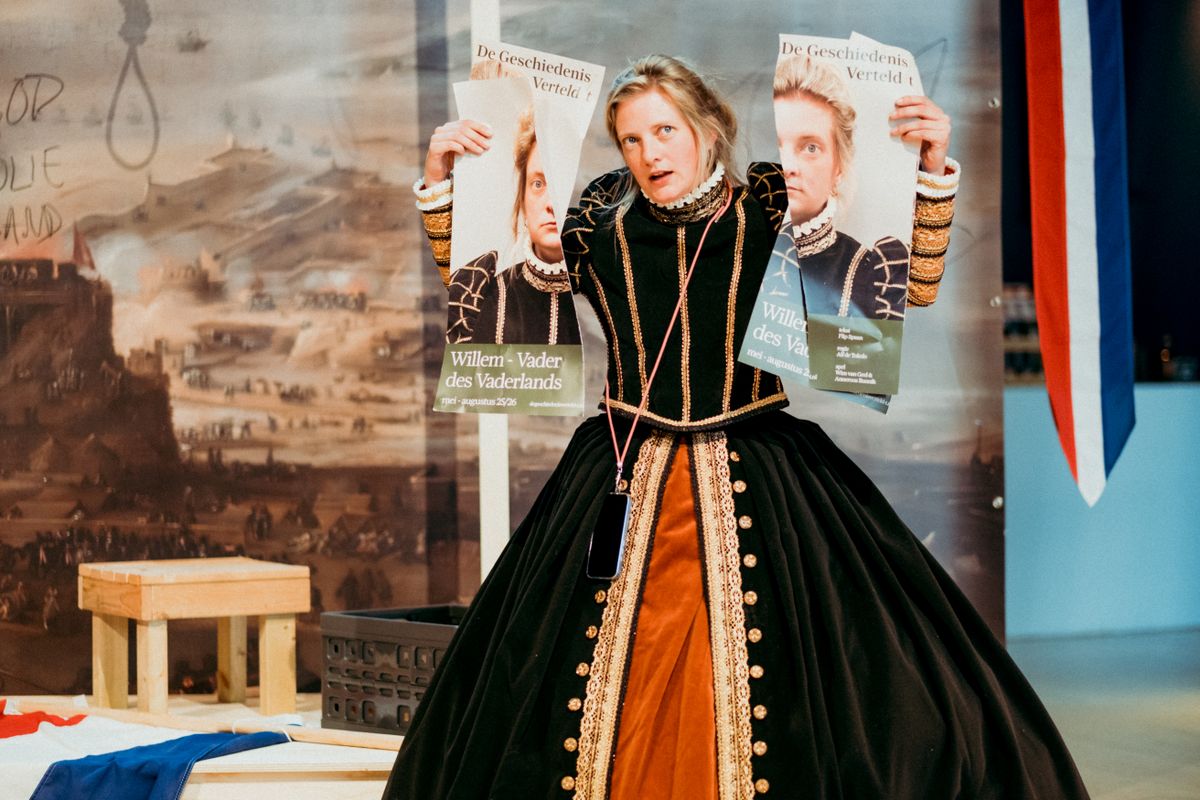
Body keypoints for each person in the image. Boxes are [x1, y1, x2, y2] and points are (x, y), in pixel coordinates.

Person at [392, 54, 1089, 800]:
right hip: (622, 461)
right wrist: (446, 183)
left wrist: (927, 166)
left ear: (707, 127)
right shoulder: (597, 223)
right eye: (631, 139)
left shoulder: (769, 207)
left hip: (761, 459)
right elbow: (485, 291)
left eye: (665, 130)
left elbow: (908, 286)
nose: (650, 152)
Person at [773, 52, 954, 320]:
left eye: (810, 147)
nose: (788, 166)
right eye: (779, 145)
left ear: (838, 168)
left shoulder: (869, 269)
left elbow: (919, 292)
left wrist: (932, 168)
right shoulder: (735, 236)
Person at [422, 105, 580, 346]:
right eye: (538, 184)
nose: (551, 204)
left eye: (562, 183)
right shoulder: (484, 288)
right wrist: (436, 180)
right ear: (523, 199)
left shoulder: (613, 284)